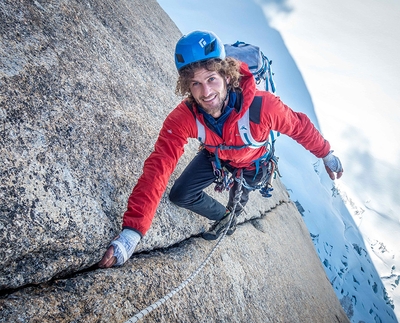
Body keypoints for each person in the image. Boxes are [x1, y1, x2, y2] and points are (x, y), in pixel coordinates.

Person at [98, 30, 343, 268]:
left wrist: (326, 153)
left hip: (251, 165)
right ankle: (223, 217)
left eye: (211, 79)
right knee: (180, 195)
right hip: (216, 157)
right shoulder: (184, 118)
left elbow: (299, 127)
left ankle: (230, 218)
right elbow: (159, 166)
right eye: (195, 83)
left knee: (236, 206)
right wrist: (133, 231)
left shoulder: (263, 108)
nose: (206, 93)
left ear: (227, 76)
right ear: (187, 86)